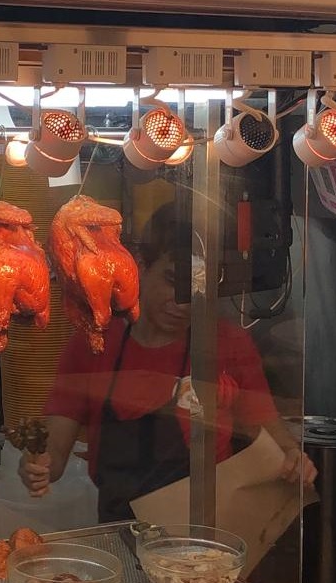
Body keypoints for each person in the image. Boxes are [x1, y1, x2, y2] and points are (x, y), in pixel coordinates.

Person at [19, 204, 317, 523]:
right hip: (120, 529)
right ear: (141, 265)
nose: (183, 304)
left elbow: (269, 428)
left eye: (199, 290)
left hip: (206, 527)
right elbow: (54, 451)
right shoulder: (94, 342)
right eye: (173, 281)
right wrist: (37, 466)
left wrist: (293, 456)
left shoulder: (227, 343)